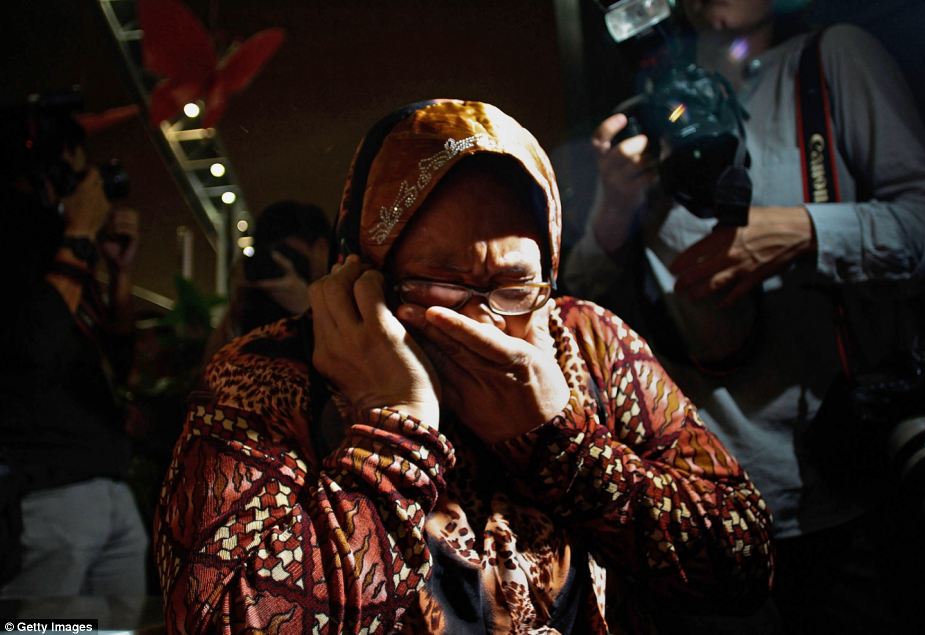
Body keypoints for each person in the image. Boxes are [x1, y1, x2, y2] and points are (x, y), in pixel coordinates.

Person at [154, 99, 773, 633]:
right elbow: (221, 619)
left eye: (513, 287)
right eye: (439, 285)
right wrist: (394, 428)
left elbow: (744, 559)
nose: (481, 325)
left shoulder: (587, 341)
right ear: (364, 272)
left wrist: (563, 446)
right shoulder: (271, 374)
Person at [564, 1, 925, 631]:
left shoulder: (831, 61)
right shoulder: (655, 100)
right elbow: (579, 309)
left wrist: (801, 231)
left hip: (846, 473)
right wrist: (613, 207)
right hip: (711, 501)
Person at [0, 106, 148, 596]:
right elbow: (30, 349)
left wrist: (119, 276)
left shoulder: (60, 250)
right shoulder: (23, 241)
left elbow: (116, 364)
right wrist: (80, 234)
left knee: (110, 630)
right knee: (43, 630)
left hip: (105, 484)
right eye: (77, 170)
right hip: (43, 491)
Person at [203, 200, 332, 362]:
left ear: (322, 249)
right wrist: (240, 300)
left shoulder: (347, 300)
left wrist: (307, 309)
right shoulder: (254, 303)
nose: (282, 265)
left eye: (287, 254)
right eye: (272, 257)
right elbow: (214, 368)